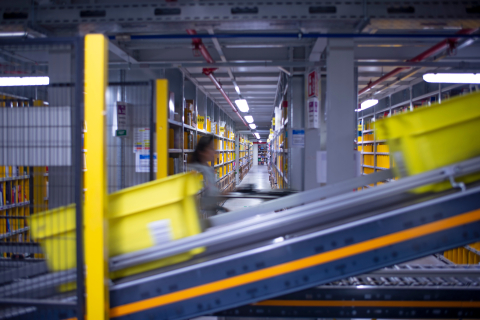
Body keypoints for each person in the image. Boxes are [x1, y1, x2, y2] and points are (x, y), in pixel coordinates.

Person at [189, 135, 229, 217]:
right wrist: (229, 194)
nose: (214, 152)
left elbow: (208, 197)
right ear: (201, 151)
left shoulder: (207, 169)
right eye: (211, 148)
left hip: (209, 217)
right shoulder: (196, 171)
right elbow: (202, 200)